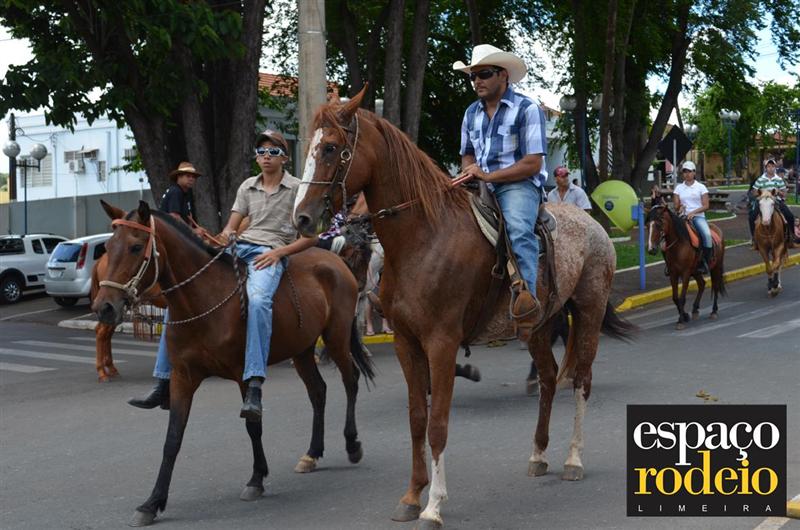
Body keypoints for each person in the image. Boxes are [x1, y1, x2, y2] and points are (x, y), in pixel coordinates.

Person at [129, 130, 317, 421]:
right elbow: (232, 227)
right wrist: (221, 238)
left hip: (270, 252)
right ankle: (163, 381)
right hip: (239, 247)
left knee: (258, 301)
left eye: (273, 152)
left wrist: (279, 253)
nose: (266, 157)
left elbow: (311, 237)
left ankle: (254, 383)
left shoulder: (297, 188)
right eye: (262, 152)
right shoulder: (247, 186)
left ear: (284, 158)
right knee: (177, 299)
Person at [454, 44, 548, 341]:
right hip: (479, 182)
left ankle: (526, 300)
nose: (476, 81)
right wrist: (469, 171)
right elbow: (467, 154)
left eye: (483, 74)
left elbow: (532, 163)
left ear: (503, 75)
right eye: (473, 76)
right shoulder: (471, 112)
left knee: (518, 229)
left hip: (518, 184)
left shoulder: (527, 108)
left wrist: (489, 176)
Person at [672, 160, 712, 274]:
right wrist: (679, 207)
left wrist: (694, 212)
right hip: (683, 217)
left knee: (707, 235)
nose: (687, 174)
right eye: (685, 172)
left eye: (689, 171)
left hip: (698, 216)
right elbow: (676, 206)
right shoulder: (678, 188)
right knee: (668, 235)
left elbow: (706, 205)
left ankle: (705, 262)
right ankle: (670, 262)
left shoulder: (701, 187)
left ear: (694, 172)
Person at [750, 160, 797, 247]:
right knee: (752, 217)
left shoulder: (779, 179)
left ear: (775, 168)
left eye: (772, 166)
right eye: (769, 166)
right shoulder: (760, 179)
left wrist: (778, 191)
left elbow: (784, 194)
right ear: (766, 168)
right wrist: (762, 192)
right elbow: (754, 192)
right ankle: (754, 238)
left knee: (790, 216)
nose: (771, 168)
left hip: (776, 201)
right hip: (763, 201)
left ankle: (791, 237)